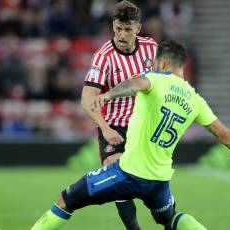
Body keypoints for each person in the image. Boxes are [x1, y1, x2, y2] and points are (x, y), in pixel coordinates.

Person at [0, 40, 230, 230]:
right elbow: (224, 133)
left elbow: (136, 82)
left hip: (130, 174)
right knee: (170, 219)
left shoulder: (154, 79)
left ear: (163, 64)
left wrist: (108, 95)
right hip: (160, 181)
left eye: (155, 63)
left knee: (67, 198)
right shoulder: (195, 98)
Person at [81, 1, 157, 229]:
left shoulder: (151, 48)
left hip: (143, 128)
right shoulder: (103, 56)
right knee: (117, 178)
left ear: (138, 28)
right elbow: (87, 99)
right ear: (113, 26)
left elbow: (159, 83)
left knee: (154, 190)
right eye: (118, 28)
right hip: (114, 127)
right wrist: (105, 128)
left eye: (128, 29)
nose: (122, 35)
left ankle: (167, 215)